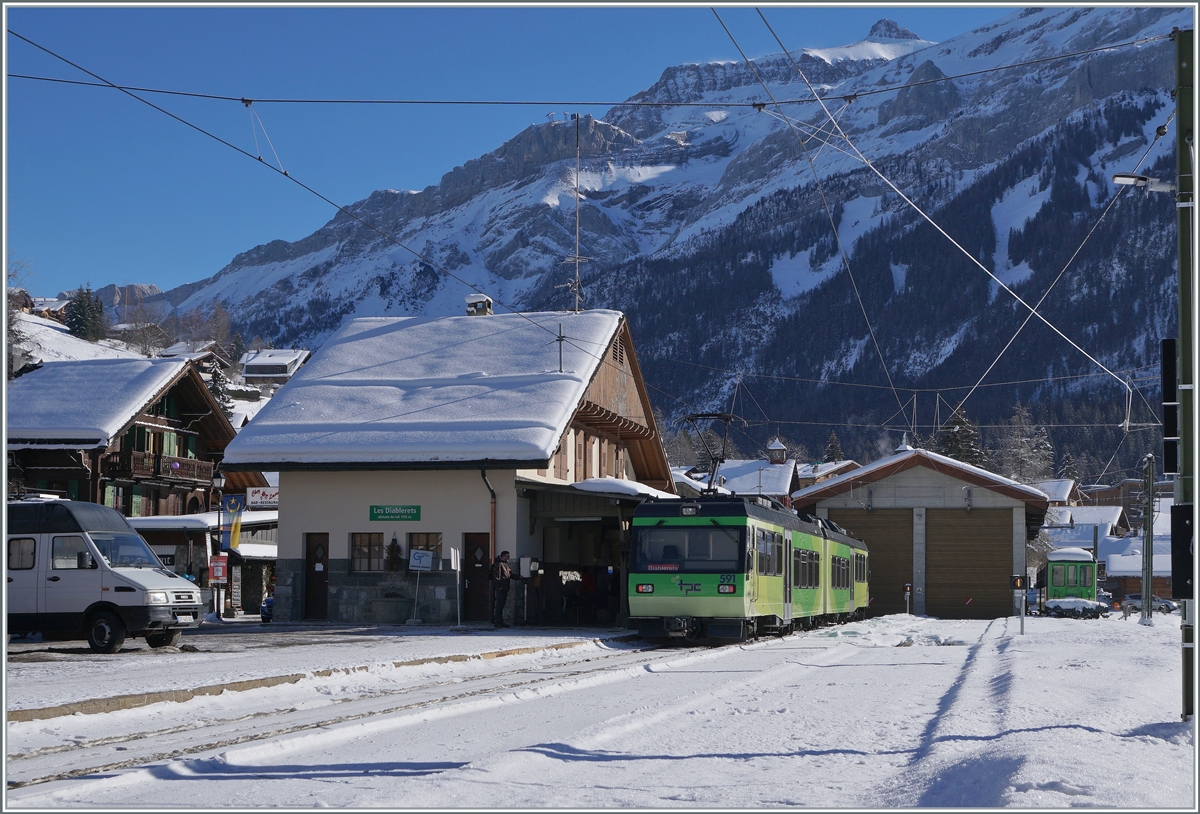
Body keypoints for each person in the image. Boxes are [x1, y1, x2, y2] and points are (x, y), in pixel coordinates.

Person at [489, 550, 513, 627]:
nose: (508, 558)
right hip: (501, 587)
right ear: (503, 556)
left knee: (502, 604)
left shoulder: (505, 564)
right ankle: (497, 621)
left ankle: (500, 620)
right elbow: (497, 576)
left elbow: (509, 574)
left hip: (504, 587)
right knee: (499, 604)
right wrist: (499, 586)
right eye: (507, 556)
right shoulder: (498, 564)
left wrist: (519, 577)